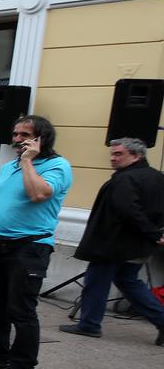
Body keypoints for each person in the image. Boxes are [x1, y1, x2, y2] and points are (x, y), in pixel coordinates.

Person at [0, 115, 72, 369]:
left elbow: (38, 194)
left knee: (21, 309)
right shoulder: (9, 166)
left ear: (41, 139)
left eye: (24, 135)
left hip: (30, 246)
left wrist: (27, 161)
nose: (16, 140)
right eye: (14, 134)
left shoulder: (57, 166)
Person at [62, 136, 164, 344]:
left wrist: (154, 234)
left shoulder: (124, 179)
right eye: (112, 154)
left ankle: (89, 324)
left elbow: (129, 211)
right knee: (129, 282)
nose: (113, 158)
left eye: (119, 154)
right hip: (136, 245)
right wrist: (154, 234)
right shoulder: (156, 177)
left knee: (97, 282)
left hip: (112, 244)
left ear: (136, 156)